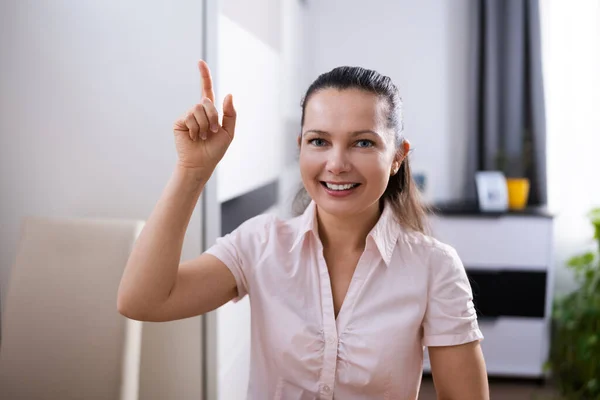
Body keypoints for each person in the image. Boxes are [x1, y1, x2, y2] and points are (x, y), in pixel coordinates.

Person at [117, 60, 489, 399]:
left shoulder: (434, 266)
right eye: (319, 141)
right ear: (301, 147)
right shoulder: (259, 243)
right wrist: (192, 171)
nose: (337, 163)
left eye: (363, 142)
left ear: (397, 157)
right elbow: (143, 300)